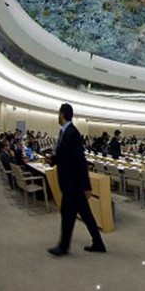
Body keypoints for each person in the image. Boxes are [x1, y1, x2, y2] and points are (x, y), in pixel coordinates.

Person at [48, 103, 106, 256]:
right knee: (85, 215)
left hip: (72, 184)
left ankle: (63, 246)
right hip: (71, 183)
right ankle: (98, 243)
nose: (57, 116)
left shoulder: (73, 133)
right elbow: (64, 156)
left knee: (68, 215)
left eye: (58, 113)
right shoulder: (64, 132)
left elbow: (80, 161)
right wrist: (52, 160)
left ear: (62, 114)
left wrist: (87, 186)